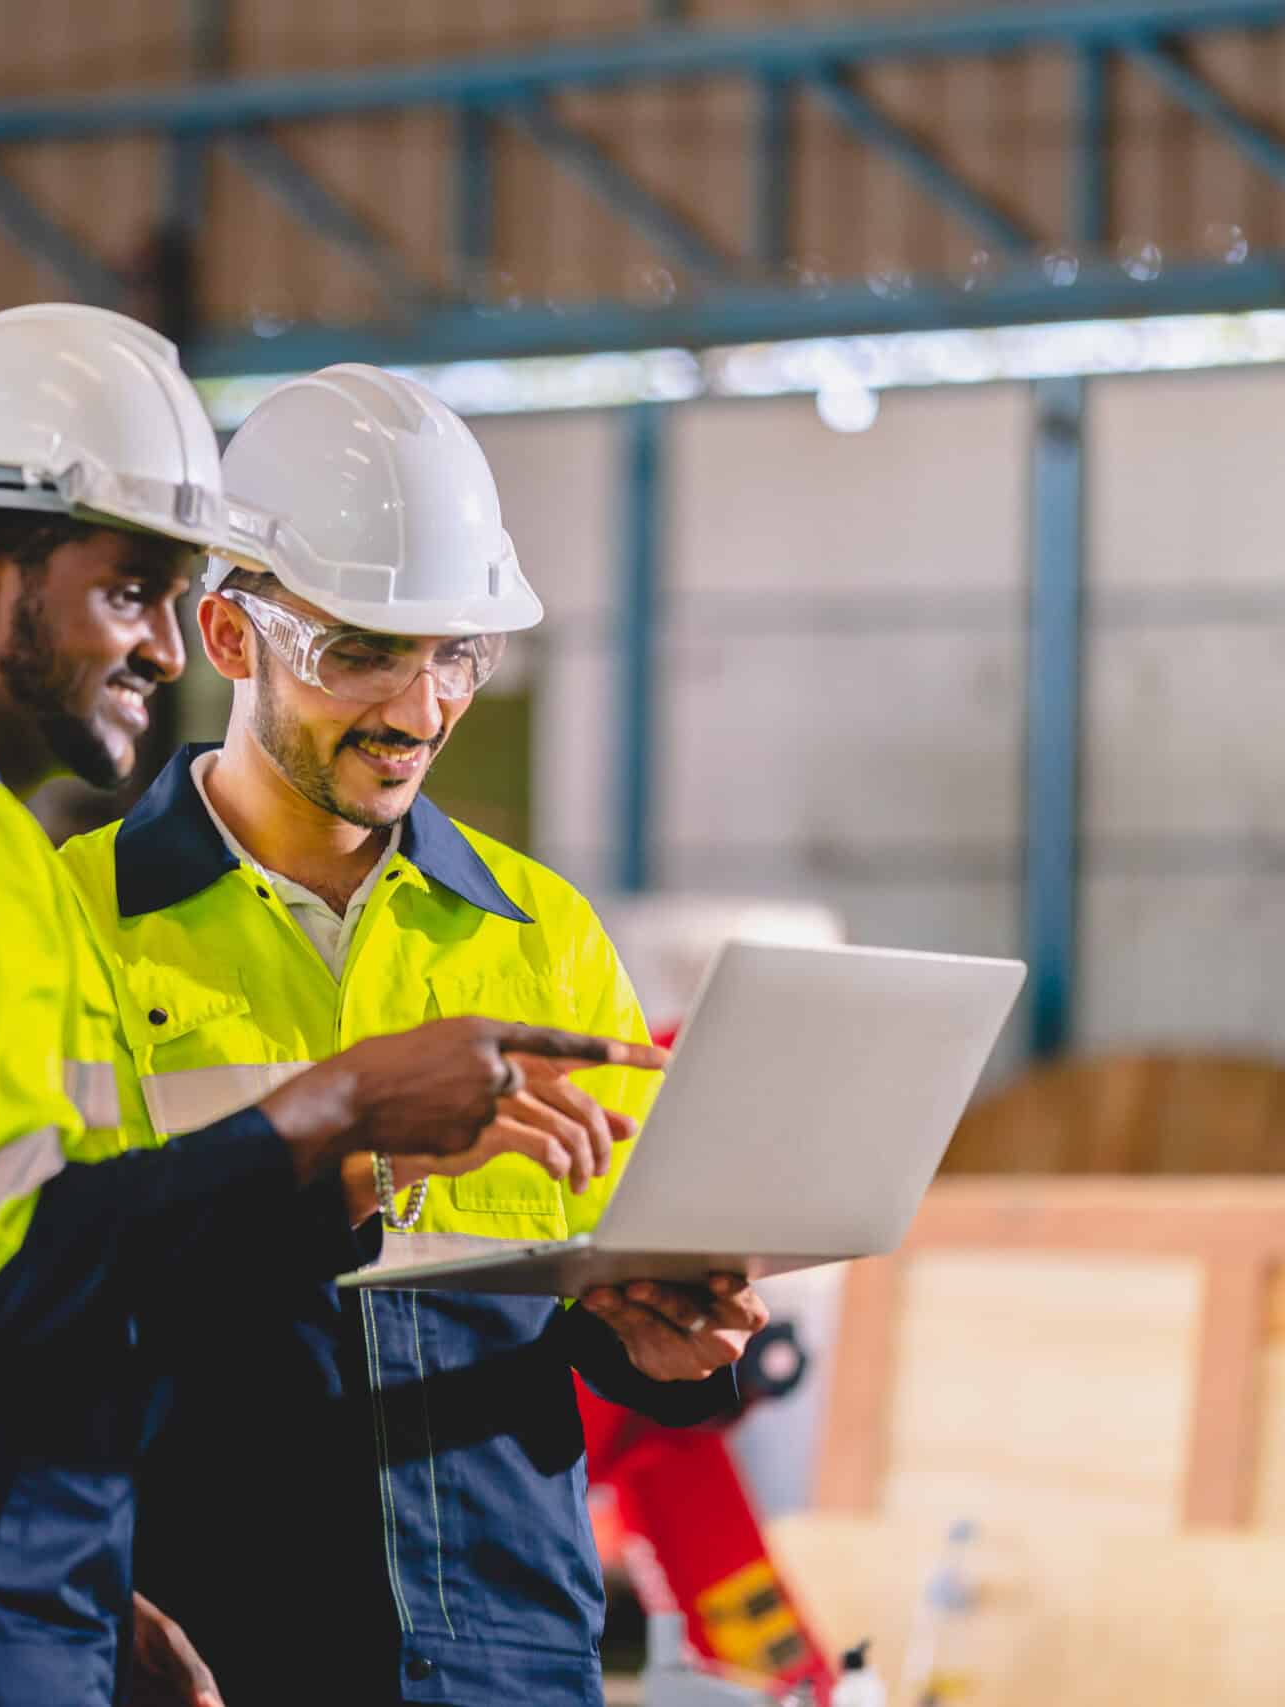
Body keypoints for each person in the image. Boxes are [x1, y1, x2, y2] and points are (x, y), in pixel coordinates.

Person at [0, 308, 661, 1707]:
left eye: (457, 654)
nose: (163, 648)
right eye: (130, 594)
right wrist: (341, 1115)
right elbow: (9, 1277)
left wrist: (84, 1605)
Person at [59, 363, 767, 1707]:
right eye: (362, 653)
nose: (421, 710)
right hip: (206, 1657)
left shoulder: (540, 934)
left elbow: (603, 1281)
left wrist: (665, 1353)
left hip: (504, 1661)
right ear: (226, 632)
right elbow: (20, 1301)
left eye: (457, 653)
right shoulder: (73, 925)